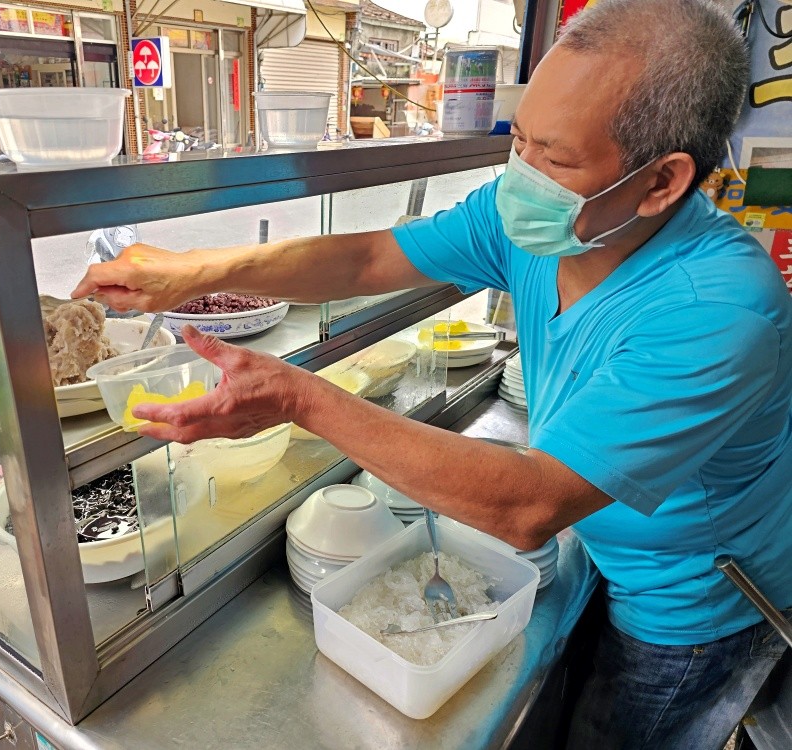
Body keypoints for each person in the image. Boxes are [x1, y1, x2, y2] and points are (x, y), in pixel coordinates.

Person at [72, 1, 792, 747]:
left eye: (556, 158)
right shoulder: (539, 226)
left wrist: (295, 396)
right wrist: (193, 272)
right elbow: (366, 259)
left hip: (695, 604)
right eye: (519, 142)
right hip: (615, 543)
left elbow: (528, 504)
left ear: (660, 182)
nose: (522, 176)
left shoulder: (718, 312)